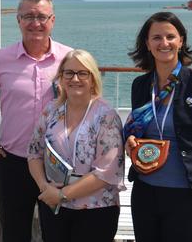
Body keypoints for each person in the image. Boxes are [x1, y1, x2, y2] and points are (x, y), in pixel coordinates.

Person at [0, 0, 72, 241]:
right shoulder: (0, 59)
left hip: (57, 164)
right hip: (14, 161)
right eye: (28, 16)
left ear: (53, 20)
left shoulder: (69, 59)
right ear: (18, 20)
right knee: (15, 232)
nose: (35, 23)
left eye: (42, 17)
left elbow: (88, 102)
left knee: (58, 233)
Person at [124, 11, 192, 242]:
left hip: (187, 194)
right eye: (157, 37)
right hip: (145, 191)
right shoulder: (140, 85)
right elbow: (137, 129)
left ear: (181, 41)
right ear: (147, 44)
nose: (164, 43)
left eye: (170, 36)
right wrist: (130, 140)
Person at [27, 49, 125, 242]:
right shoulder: (51, 111)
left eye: (82, 73)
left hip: (96, 209)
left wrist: (62, 195)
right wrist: (44, 188)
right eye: (69, 73)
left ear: (93, 79)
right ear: (61, 78)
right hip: (53, 205)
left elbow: (106, 172)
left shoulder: (106, 116)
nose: (75, 79)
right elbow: (34, 153)